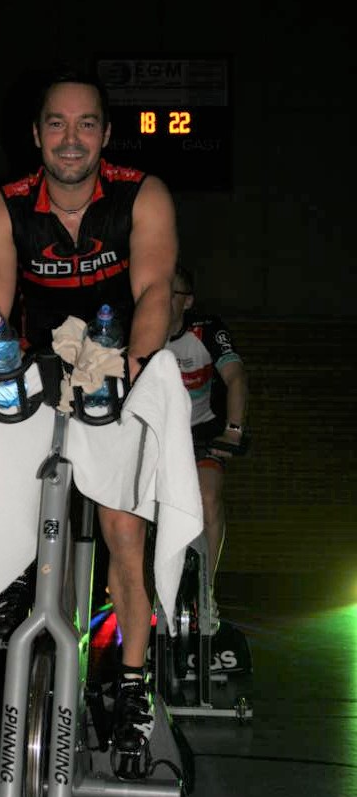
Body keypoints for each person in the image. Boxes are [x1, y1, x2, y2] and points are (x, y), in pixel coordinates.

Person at [0, 66, 179, 769]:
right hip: (39, 363)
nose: (70, 138)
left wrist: (134, 370)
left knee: (123, 528)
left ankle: (133, 686)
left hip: (118, 359)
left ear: (106, 134)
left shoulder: (142, 194)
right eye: (56, 123)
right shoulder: (4, 207)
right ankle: (9, 592)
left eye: (86, 124)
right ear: (36, 134)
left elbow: (154, 289)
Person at [164, 264, 249, 624]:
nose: (162, 300)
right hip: (158, 433)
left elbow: (236, 378)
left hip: (201, 431)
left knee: (209, 497)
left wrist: (233, 431)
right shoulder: (140, 330)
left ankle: (206, 590)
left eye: (171, 293)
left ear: (187, 302)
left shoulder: (206, 330)